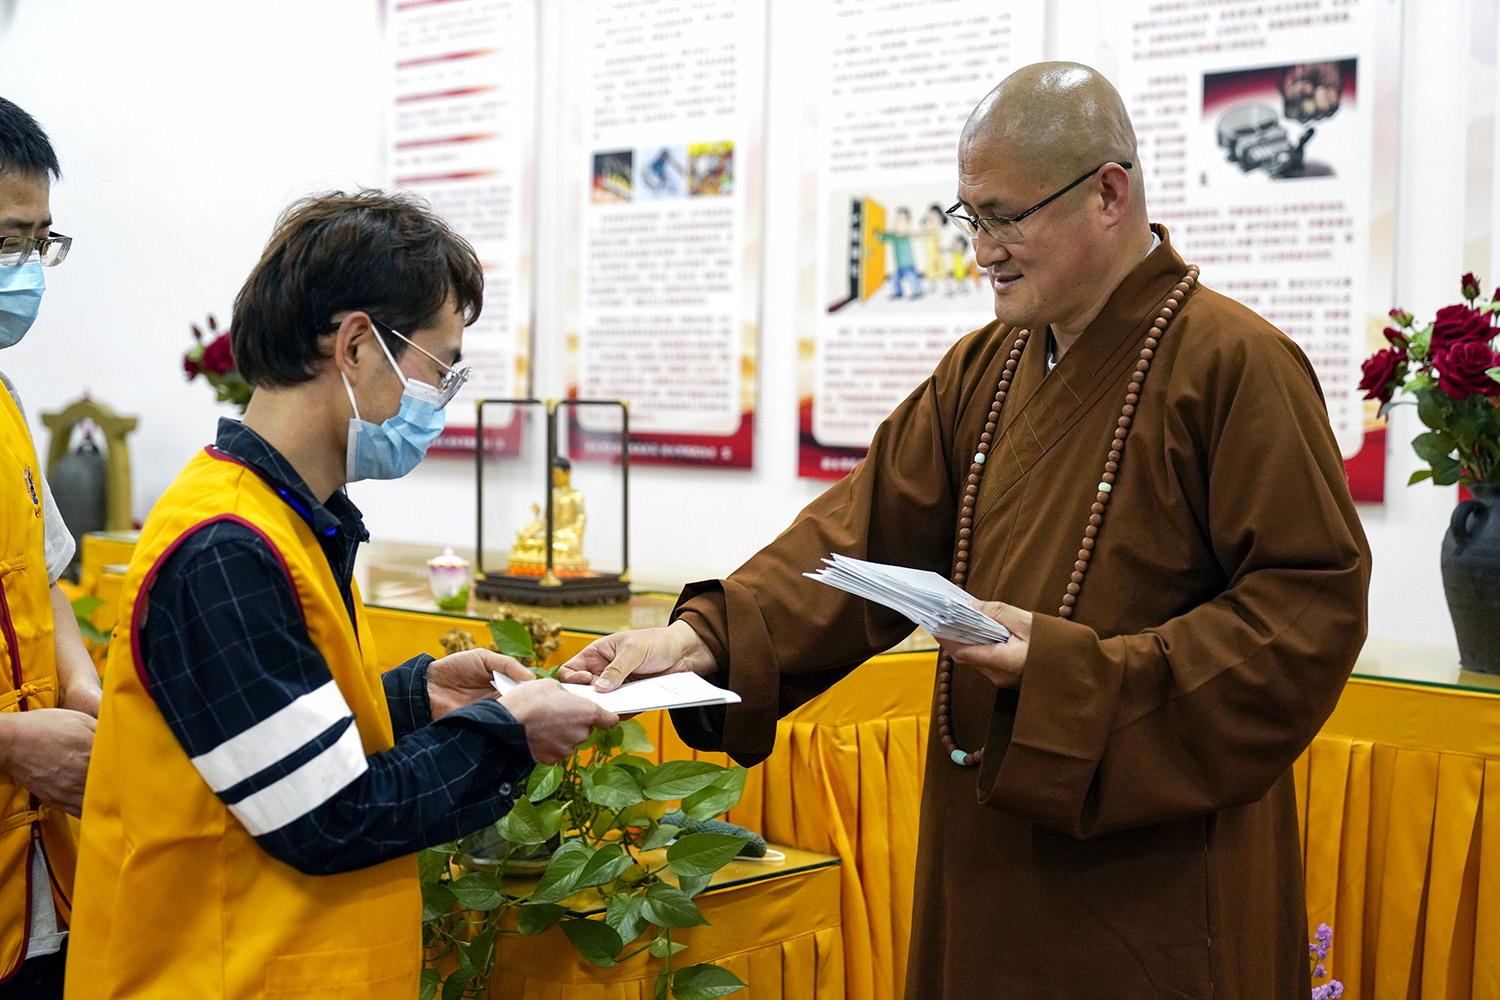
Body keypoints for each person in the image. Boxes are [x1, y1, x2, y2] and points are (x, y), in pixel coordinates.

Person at [562, 62, 1370, 999]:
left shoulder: (1236, 363)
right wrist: (698, 638)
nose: (980, 250)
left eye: (1002, 216)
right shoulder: (984, 369)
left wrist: (1070, 677)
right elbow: (859, 532)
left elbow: (1304, 610)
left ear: (1109, 193)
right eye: (966, 217)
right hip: (989, 834)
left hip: (1150, 861)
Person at [65, 191, 617, 1000]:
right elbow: (331, 815)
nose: (441, 395)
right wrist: (506, 735)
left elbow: (266, 736)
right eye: (439, 365)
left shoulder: (284, 517)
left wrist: (414, 698)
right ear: (357, 345)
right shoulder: (225, 547)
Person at [0, 97, 102, 1000]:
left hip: (35, 879)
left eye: (39, 244)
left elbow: (46, 581)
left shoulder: (7, 406)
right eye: (5, 244)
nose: (26, 270)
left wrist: (80, 684)